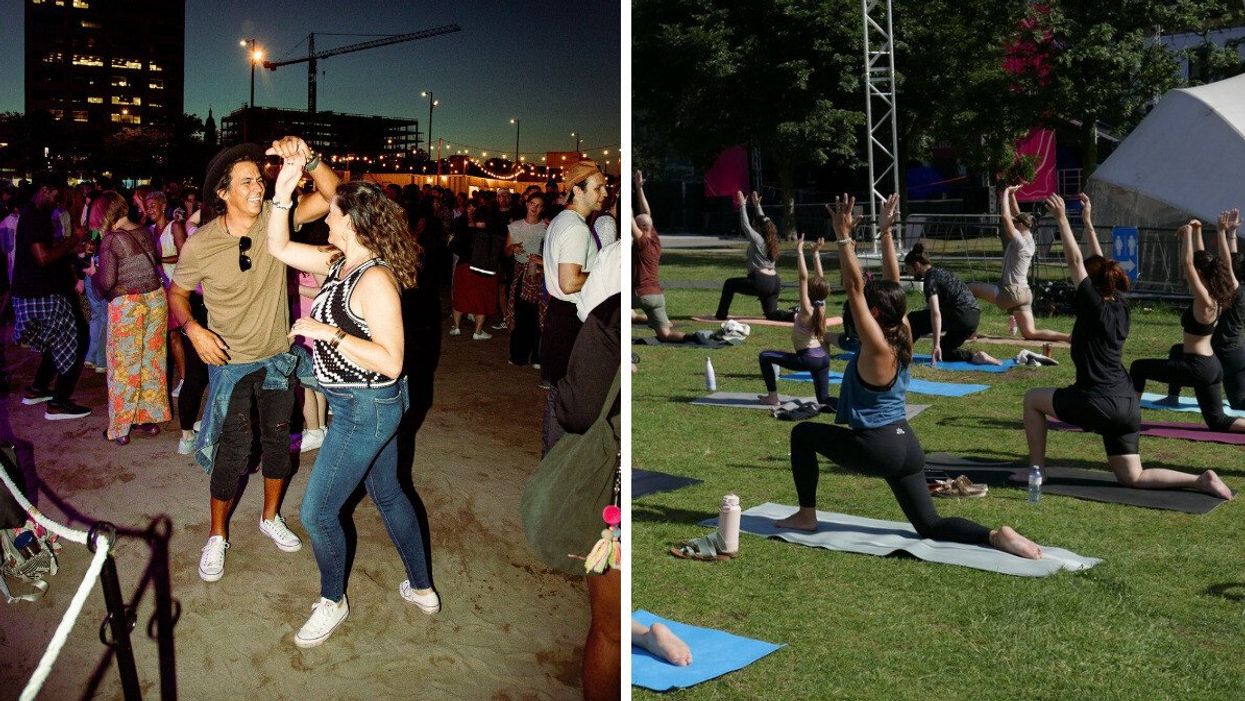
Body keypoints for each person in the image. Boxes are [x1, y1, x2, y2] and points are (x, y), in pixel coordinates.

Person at [774, 194, 1041, 560]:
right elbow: (892, 282)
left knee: (802, 433)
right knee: (929, 525)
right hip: (907, 447)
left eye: (868, 305)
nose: (861, 306)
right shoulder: (903, 333)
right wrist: (885, 231)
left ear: (875, 311)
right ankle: (995, 536)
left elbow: (853, 288)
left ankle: (806, 515)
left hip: (878, 447)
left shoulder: (877, 348)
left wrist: (843, 238)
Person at [265, 156, 438, 648]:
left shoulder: (375, 281)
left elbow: (392, 360)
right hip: (363, 404)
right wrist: (282, 190)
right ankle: (422, 587)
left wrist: (328, 333)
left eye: (334, 211)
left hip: (367, 407)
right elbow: (277, 245)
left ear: (353, 222)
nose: (326, 214)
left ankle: (332, 600)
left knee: (317, 513)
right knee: (388, 494)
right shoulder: (340, 262)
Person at [171, 137, 339, 583]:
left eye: (259, 179)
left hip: (278, 359)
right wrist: (192, 328)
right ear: (222, 193)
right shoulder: (200, 244)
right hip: (230, 365)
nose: (258, 187)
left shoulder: (276, 221)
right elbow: (178, 293)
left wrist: (310, 160)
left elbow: (329, 196)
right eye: (246, 182)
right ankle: (217, 535)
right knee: (232, 453)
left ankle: (269, 518)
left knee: (280, 445)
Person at [1022, 195, 1232, 498]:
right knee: (1132, 476)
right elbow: (1098, 263)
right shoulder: (1120, 304)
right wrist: (1089, 221)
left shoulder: (1093, 307)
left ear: (1092, 287)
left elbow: (1076, 262)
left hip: (1098, 400)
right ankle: (1201, 480)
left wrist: (1063, 220)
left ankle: (1037, 473)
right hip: (1127, 405)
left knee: (1032, 399)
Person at [1129, 218, 1245, 434]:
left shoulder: (1205, 300)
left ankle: (1128, 419)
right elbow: (1215, 265)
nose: (1187, 277)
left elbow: (1189, 263)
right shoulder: (1221, 295)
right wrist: (1200, 232)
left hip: (1196, 366)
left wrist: (1187, 236)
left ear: (1200, 276)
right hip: (1212, 366)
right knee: (1218, 421)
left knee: (1138, 367)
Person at [90, 191, 170, 444]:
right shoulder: (143, 230)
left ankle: (121, 428)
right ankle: (147, 420)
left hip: (129, 305)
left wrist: (92, 274)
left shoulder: (112, 239)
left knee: (123, 367)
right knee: (151, 362)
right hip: (155, 300)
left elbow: (106, 282)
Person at [541, 159, 607, 454]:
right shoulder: (576, 228)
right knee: (566, 398)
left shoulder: (562, 221)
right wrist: (605, 275)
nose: (604, 193)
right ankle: (555, 464)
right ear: (577, 191)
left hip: (560, 314)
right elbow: (569, 282)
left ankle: (551, 461)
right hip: (570, 318)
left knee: (559, 396)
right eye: (598, 187)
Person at [12, 177, 92, 419]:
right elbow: (43, 258)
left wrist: (70, 246)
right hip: (42, 293)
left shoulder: (36, 214)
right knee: (77, 340)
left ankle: (38, 388)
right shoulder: (35, 216)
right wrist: (74, 240)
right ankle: (59, 403)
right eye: (58, 194)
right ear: (45, 189)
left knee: (58, 340)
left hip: (40, 290)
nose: (60, 200)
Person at [1160, 208, 1245, 413]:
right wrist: (1228, 233)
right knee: (1239, 403)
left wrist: (1220, 231)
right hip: (1238, 355)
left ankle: (1172, 398)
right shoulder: (1231, 290)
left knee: (1176, 351)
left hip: (1219, 354)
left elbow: (1223, 261)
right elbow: (1214, 265)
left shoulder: (1231, 291)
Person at [968, 184, 1070, 343]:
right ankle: (1069, 337)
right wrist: (1012, 196)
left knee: (970, 289)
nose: (1014, 222)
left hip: (1010, 292)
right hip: (1025, 293)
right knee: (1031, 333)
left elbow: (1006, 218)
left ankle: (970, 331)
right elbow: (1017, 214)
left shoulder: (1019, 242)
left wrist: (1005, 193)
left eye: (1017, 222)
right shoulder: (1029, 238)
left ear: (1021, 225)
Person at [757, 232, 833, 407]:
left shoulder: (807, 309)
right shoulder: (822, 305)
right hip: (822, 359)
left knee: (765, 356)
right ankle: (851, 406)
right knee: (824, 400)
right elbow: (820, 279)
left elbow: (803, 278)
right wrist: (815, 254)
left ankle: (773, 397)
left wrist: (799, 251)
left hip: (807, 358)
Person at [903, 243, 1001, 366]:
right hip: (973, 317)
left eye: (908, 269)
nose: (909, 273)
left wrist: (936, 345)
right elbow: (931, 310)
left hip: (961, 314)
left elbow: (935, 313)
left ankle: (902, 355)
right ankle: (977, 357)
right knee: (945, 351)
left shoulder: (930, 279)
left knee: (913, 319)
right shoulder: (942, 272)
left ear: (916, 265)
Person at [632, 169, 693, 343]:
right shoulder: (655, 240)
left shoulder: (642, 243)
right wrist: (639, 187)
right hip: (657, 296)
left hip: (640, 294)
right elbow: (647, 214)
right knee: (665, 335)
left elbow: (631, 219)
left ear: (641, 228)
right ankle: (694, 337)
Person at [714, 190, 793, 322]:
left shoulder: (757, 239)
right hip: (775, 282)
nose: (753, 226)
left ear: (758, 228)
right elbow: (765, 222)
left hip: (761, 282)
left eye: (755, 225)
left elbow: (745, 226)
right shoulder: (772, 240)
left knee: (729, 284)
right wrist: (757, 206)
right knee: (772, 314)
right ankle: (794, 316)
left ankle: (720, 315)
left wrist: (742, 205)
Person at [506, 190, 546, 366]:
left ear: (543, 208)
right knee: (520, 315)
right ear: (526, 204)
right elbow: (506, 250)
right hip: (520, 273)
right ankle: (519, 355)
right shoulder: (515, 226)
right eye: (532, 204)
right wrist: (512, 247)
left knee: (538, 315)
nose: (534, 208)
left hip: (539, 273)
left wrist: (542, 262)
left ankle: (537, 356)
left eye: (538, 205)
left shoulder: (546, 227)